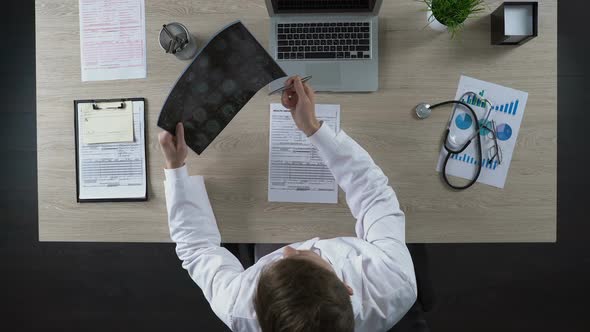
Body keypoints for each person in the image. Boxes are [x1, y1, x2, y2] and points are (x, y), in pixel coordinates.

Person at [158, 76, 417, 332]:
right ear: (347, 289)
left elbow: (197, 248)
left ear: (257, 305)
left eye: (280, 262)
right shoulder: (394, 280)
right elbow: (373, 193)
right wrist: (314, 128)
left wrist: (176, 168)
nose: (289, 250)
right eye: (305, 257)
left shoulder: (238, 306)